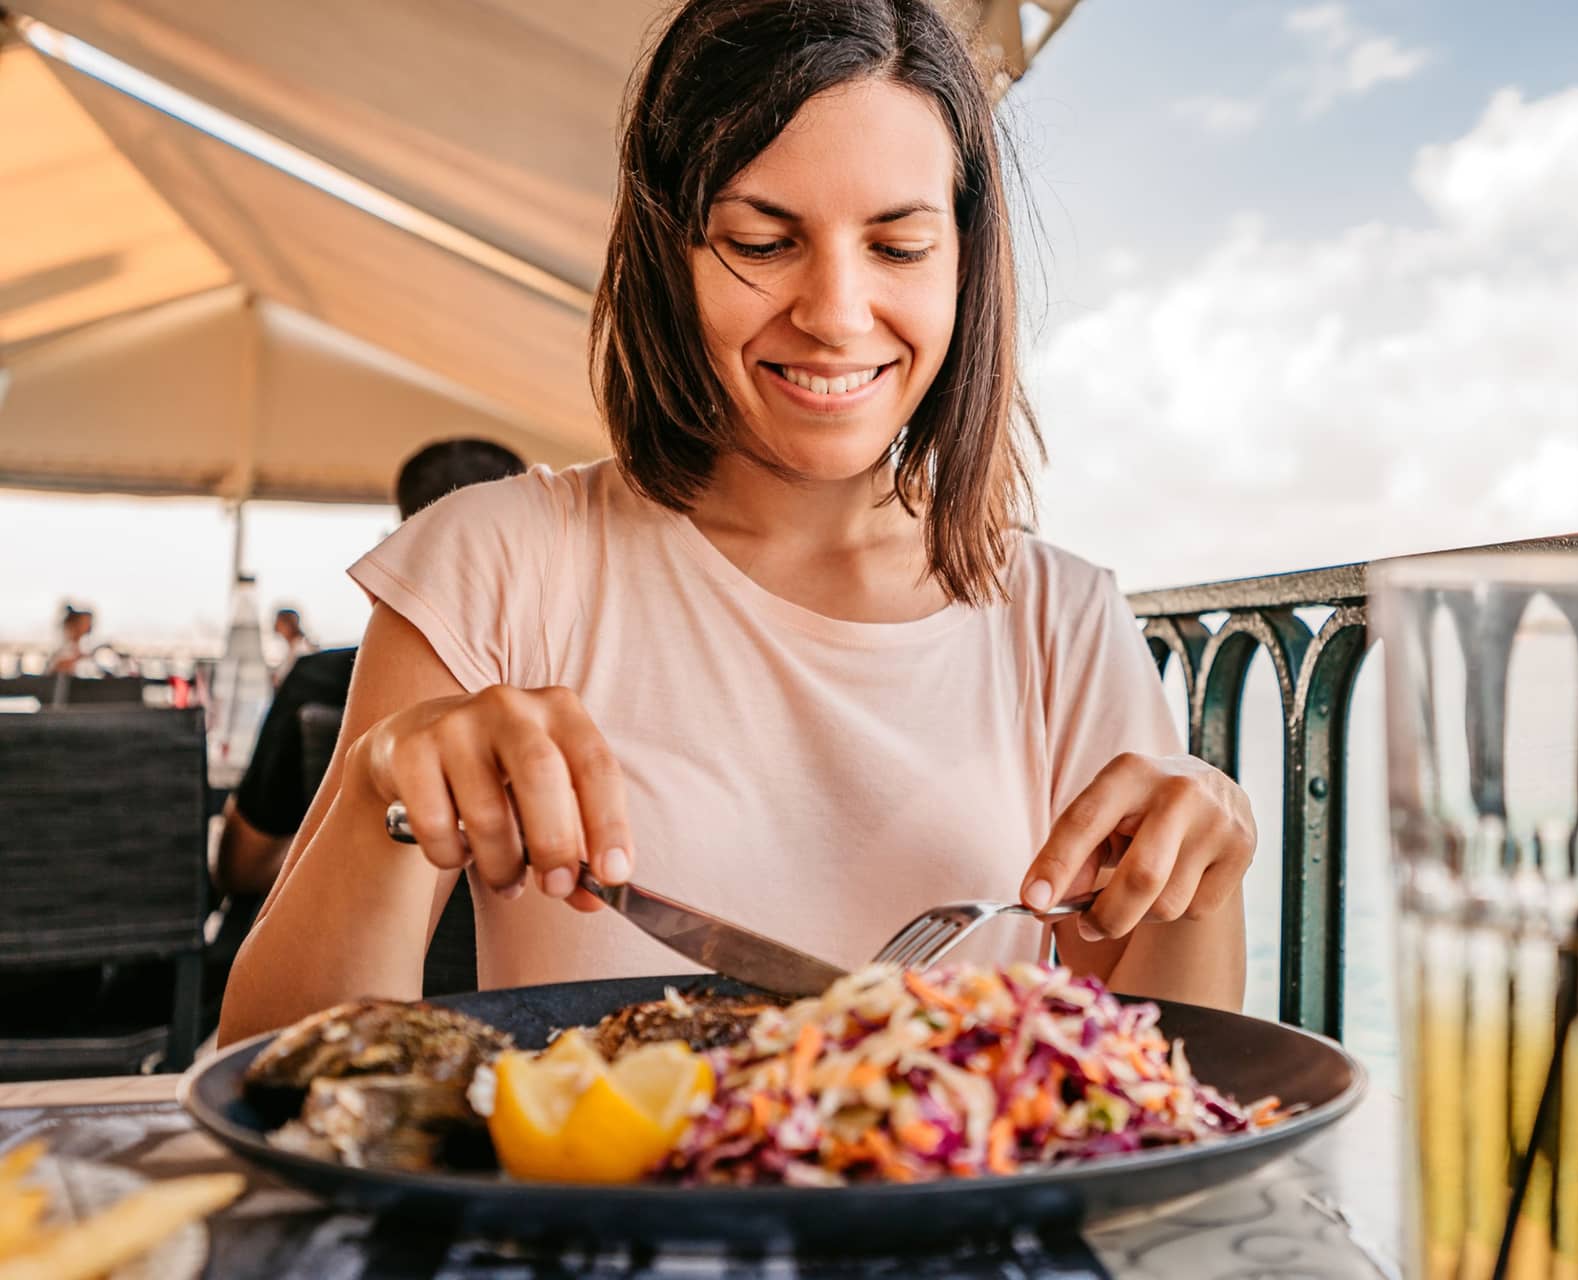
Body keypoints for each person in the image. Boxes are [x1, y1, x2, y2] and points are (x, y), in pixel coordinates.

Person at [219, 0, 1254, 1045]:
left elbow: (1164, 1087)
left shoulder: (1058, 616)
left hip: (954, 1209)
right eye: (762, 241)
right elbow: (265, 1061)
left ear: (963, 266)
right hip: (594, 1207)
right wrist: (378, 798)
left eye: (897, 246)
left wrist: (1202, 872)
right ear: (669, 250)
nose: (836, 312)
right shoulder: (494, 560)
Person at [212, 439, 528, 899]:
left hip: (337, 951)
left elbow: (240, 872)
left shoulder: (320, 683)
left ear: (400, 545)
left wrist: (335, 854)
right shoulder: (556, 697)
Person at [270, 608, 317, 684]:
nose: (275, 625)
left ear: (287, 624)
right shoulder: (292, 647)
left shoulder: (301, 648)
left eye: (278, 622)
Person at [51, 604, 94, 675]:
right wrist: (78, 658)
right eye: (84, 622)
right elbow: (56, 667)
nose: (88, 625)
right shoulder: (65, 646)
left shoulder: (83, 646)